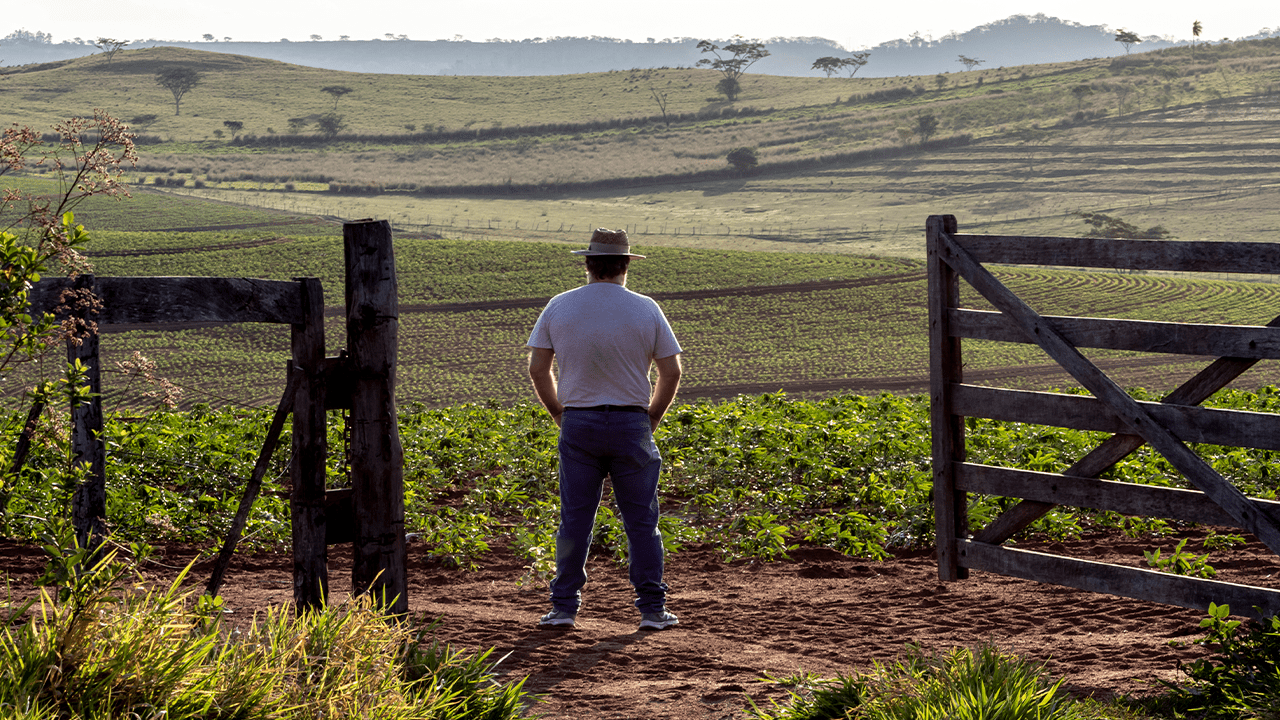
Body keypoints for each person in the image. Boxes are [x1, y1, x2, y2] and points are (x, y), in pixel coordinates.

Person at [526, 228, 683, 631]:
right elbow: (672, 371)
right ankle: (652, 610)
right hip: (632, 422)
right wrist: (652, 418)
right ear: (626, 265)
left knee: (575, 519)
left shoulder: (559, 306)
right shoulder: (647, 308)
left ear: (588, 264)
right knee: (642, 522)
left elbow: (538, 368)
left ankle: (563, 608)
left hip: (579, 422)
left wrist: (560, 414)